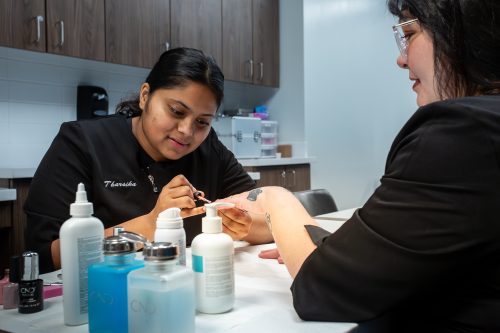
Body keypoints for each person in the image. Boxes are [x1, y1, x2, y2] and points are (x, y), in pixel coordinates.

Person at [224, 0, 500, 331]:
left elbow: (325, 289)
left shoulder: (463, 132)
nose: (401, 59)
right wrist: (352, 252)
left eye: (409, 34)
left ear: (461, 36)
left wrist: (277, 199)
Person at [24, 47, 272, 274]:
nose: (187, 130)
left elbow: (271, 218)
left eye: (202, 122)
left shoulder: (209, 149)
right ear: (145, 96)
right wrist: (150, 224)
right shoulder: (82, 143)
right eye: (176, 111)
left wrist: (243, 226)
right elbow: (41, 256)